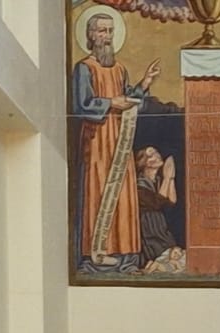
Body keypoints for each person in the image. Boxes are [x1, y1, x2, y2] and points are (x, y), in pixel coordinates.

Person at [72, 12, 160, 272]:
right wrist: (111, 103)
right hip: (97, 141)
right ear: (90, 35)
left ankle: (125, 255)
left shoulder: (120, 69)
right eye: (102, 31)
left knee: (123, 194)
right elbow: (81, 105)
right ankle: (96, 255)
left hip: (121, 141)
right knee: (98, 192)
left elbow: (129, 98)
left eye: (110, 31)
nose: (107, 36)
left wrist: (145, 83)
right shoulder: (84, 68)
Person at [133, 146, 179, 267]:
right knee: (161, 256)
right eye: (151, 155)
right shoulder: (139, 184)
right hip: (148, 227)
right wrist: (167, 178)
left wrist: (171, 178)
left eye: (156, 152)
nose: (157, 155)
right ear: (145, 163)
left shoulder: (157, 180)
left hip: (160, 225)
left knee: (173, 253)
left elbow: (171, 201)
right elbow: (157, 203)